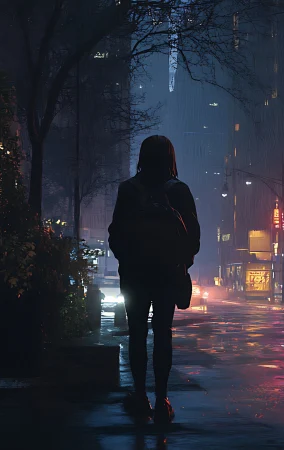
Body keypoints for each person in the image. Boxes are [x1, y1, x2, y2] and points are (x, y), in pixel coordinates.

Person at [107, 135, 200, 424]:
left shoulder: (128, 190)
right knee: (163, 334)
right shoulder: (179, 191)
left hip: (135, 276)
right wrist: (179, 263)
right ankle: (162, 399)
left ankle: (139, 395)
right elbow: (193, 240)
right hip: (166, 275)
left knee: (137, 335)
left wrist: (130, 260)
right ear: (171, 158)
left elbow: (115, 236)